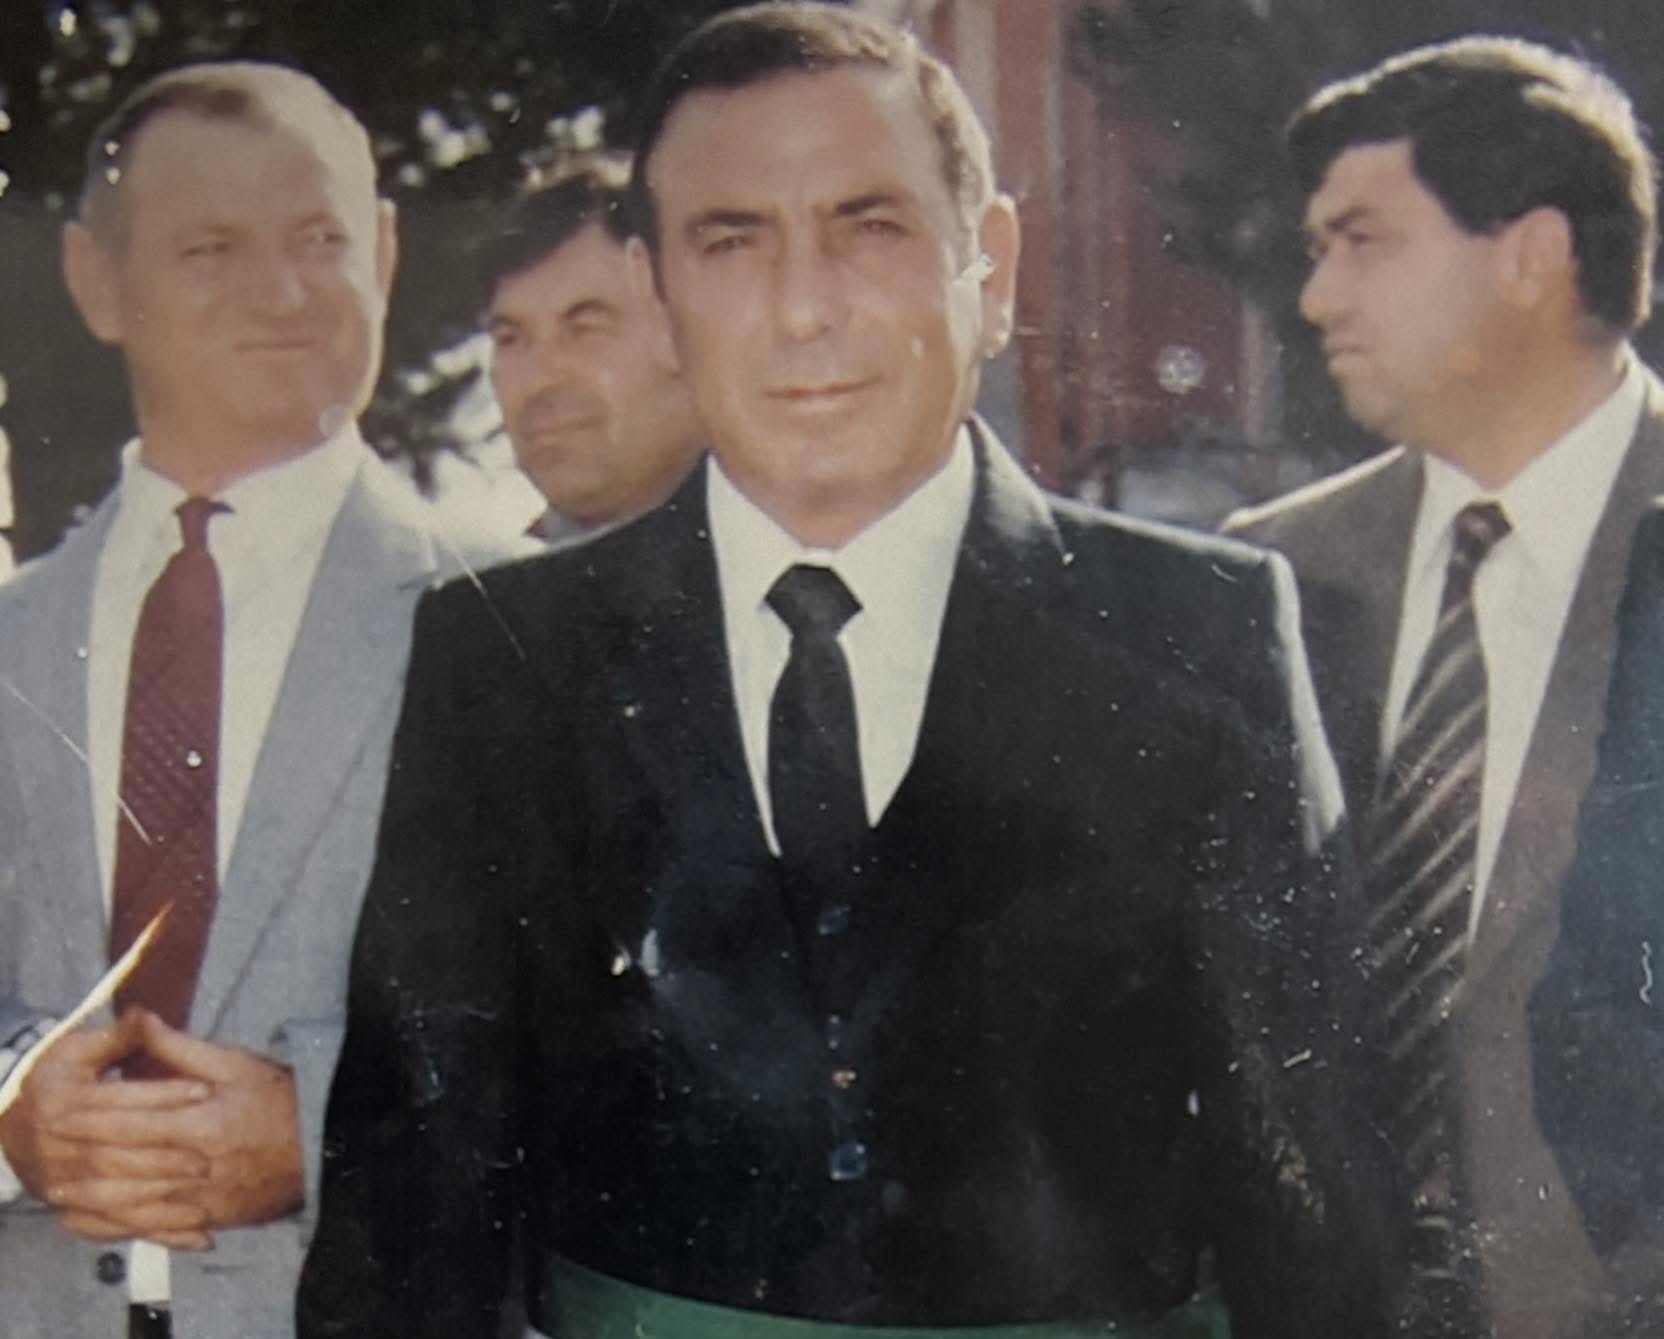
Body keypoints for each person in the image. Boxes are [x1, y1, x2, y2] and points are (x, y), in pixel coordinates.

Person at [300, 6, 1394, 1337]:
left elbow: (1320, 1213)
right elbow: (407, 1222)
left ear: (989, 265)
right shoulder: (505, 658)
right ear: (657, 294)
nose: (803, 306)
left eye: (868, 226)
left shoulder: (1198, 632)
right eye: (731, 241)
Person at [0, 62, 520, 1339]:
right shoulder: (11, 636)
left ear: (384, 252)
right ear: (96, 280)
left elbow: (620, 1040)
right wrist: (10, 1108)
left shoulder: (520, 623)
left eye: (319, 241)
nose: (282, 293)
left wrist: (331, 1132)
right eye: (211, 248)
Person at [1224, 35, 1664, 1338]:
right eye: (1315, 251)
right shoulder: (1267, 574)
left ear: (1531, 255)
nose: (1317, 297)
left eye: (1363, 242)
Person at [479, 151, 705, 543]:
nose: (539, 379)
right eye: (510, 339)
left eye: (584, 328)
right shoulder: (479, 578)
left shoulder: (798, 552)